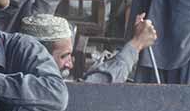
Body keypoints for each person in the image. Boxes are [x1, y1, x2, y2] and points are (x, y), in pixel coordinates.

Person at [20, 12, 157, 83]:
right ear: (37, 57)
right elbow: (95, 87)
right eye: (63, 56)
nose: (70, 64)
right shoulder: (36, 89)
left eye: (70, 55)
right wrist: (136, 44)